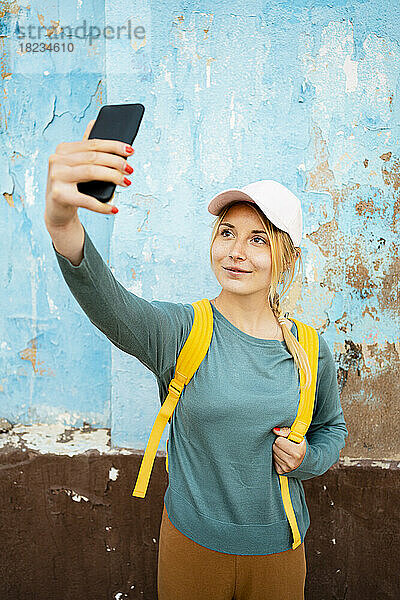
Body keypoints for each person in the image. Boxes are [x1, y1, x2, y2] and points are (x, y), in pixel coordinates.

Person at [44, 120, 348, 600]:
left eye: (258, 239)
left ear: (286, 258)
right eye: (227, 232)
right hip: (190, 547)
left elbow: (332, 429)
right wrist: (63, 221)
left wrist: (308, 458)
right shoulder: (183, 332)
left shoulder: (310, 349)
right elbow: (110, 304)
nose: (235, 251)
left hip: (279, 552)